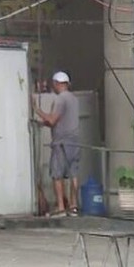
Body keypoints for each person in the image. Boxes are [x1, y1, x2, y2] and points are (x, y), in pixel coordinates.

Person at [34, 71, 82, 217]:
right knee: (74, 174)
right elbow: (62, 121)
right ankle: (73, 207)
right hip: (75, 140)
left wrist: (37, 109)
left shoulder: (61, 99)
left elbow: (53, 120)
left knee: (57, 174)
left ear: (56, 83)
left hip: (61, 143)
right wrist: (44, 123)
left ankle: (61, 207)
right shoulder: (74, 99)